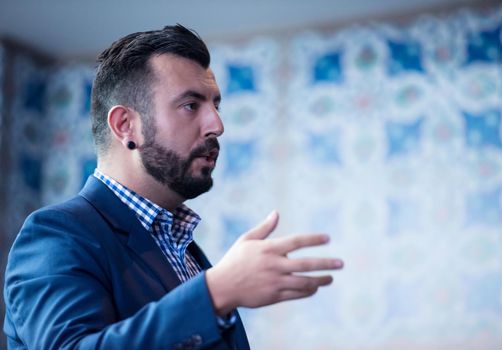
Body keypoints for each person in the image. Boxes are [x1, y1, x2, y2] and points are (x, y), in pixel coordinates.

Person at [3, 24, 344, 349]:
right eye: (190, 105)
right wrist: (216, 292)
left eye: (215, 105)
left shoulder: (189, 253)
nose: (217, 125)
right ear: (126, 125)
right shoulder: (57, 234)